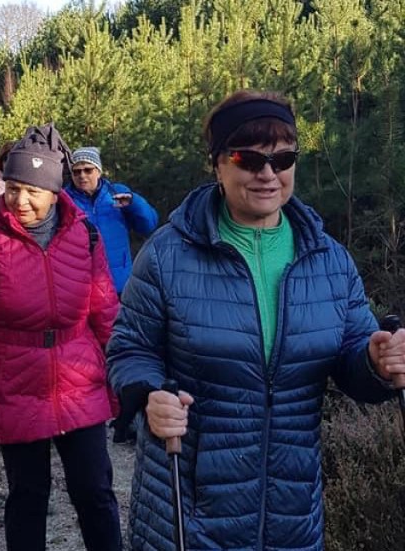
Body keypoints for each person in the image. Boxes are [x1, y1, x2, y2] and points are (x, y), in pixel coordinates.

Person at [106, 89, 405, 550]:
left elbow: (353, 359)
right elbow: (129, 349)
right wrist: (148, 393)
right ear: (218, 164)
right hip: (188, 512)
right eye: (248, 159)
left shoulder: (329, 260)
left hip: (292, 511)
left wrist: (376, 361)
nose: (268, 173)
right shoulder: (168, 254)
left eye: (283, 159)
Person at [0, 123, 123, 551]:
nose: (20, 200)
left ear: (54, 190)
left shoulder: (85, 235)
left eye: (33, 191)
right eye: (13, 188)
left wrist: (127, 386)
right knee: (27, 499)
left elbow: (106, 315)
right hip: (14, 386)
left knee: (96, 495)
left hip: (80, 384)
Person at [65, 146, 158, 295]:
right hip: (82, 289)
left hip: (120, 285)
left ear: (99, 171)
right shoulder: (65, 200)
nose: (82, 175)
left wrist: (134, 203)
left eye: (88, 170)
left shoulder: (117, 193)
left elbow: (149, 225)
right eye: (76, 171)